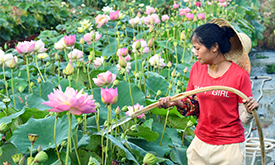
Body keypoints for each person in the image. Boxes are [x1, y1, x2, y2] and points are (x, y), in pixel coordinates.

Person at [157, 18, 259, 165]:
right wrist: (176, 103)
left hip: (229, 148)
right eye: (193, 48)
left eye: (197, 48)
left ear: (214, 47)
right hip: (200, 144)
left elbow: (243, 118)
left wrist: (250, 110)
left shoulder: (239, 76)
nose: (194, 52)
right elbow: (192, 105)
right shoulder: (196, 69)